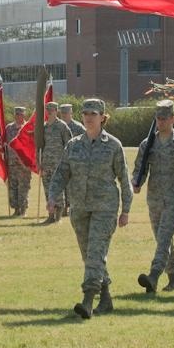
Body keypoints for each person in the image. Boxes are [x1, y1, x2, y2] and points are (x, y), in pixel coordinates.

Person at [48, 99, 132, 319]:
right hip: (80, 208)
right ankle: (105, 298)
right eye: (85, 113)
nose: (88, 117)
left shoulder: (113, 145)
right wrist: (52, 196)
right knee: (91, 256)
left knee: (95, 253)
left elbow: (124, 179)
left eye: (93, 113)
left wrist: (126, 210)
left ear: (103, 117)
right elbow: (61, 173)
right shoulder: (74, 145)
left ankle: (87, 301)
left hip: (105, 209)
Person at [134, 100, 174, 293]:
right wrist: (137, 182)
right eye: (158, 118)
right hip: (154, 199)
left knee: (164, 237)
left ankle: (154, 275)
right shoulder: (148, 143)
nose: (160, 122)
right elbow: (140, 168)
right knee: (163, 239)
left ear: (173, 119)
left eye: (164, 118)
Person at [39, 101, 72, 224]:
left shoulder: (62, 126)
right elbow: (41, 147)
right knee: (48, 190)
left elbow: (69, 144)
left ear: (56, 111)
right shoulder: (44, 127)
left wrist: (67, 163)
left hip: (58, 164)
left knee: (57, 189)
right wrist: (40, 162)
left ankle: (58, 215)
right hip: (46, 163)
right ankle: (50, 215)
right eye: (48, 110)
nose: (49, 112)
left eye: (51, 110)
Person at [58, 103, 85, 216]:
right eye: (62, 113)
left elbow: (86, 141)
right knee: (61, 184)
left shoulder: (78, 127)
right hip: (61, 160)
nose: (64, 115)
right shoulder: (58, 125)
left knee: (72, 185)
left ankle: (71, 207)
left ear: (71, 113)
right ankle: (63, 207)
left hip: (75, 161)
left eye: (66, 113)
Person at [5, 106, 32, 216]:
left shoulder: (28, 128)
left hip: (24, 164)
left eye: (21, 114)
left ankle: (23, 209)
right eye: (17, 115)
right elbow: (5, 143)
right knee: (13, 187)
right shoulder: (9, 128)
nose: (19, 117)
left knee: (23, 187)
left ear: (24, 115)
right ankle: (16, 209)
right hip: (12, 163)